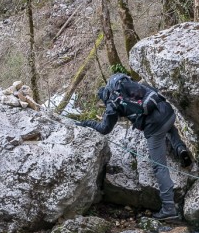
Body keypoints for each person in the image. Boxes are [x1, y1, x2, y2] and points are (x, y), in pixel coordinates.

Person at [77, 73, 192, 219]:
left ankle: (168, 207)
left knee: (158, 166)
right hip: (168, 111)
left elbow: (105, 129)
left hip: (155, 127)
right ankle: (179, 148)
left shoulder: (112, 103)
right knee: (168, 126)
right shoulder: (130, 85)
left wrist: (87, 123)